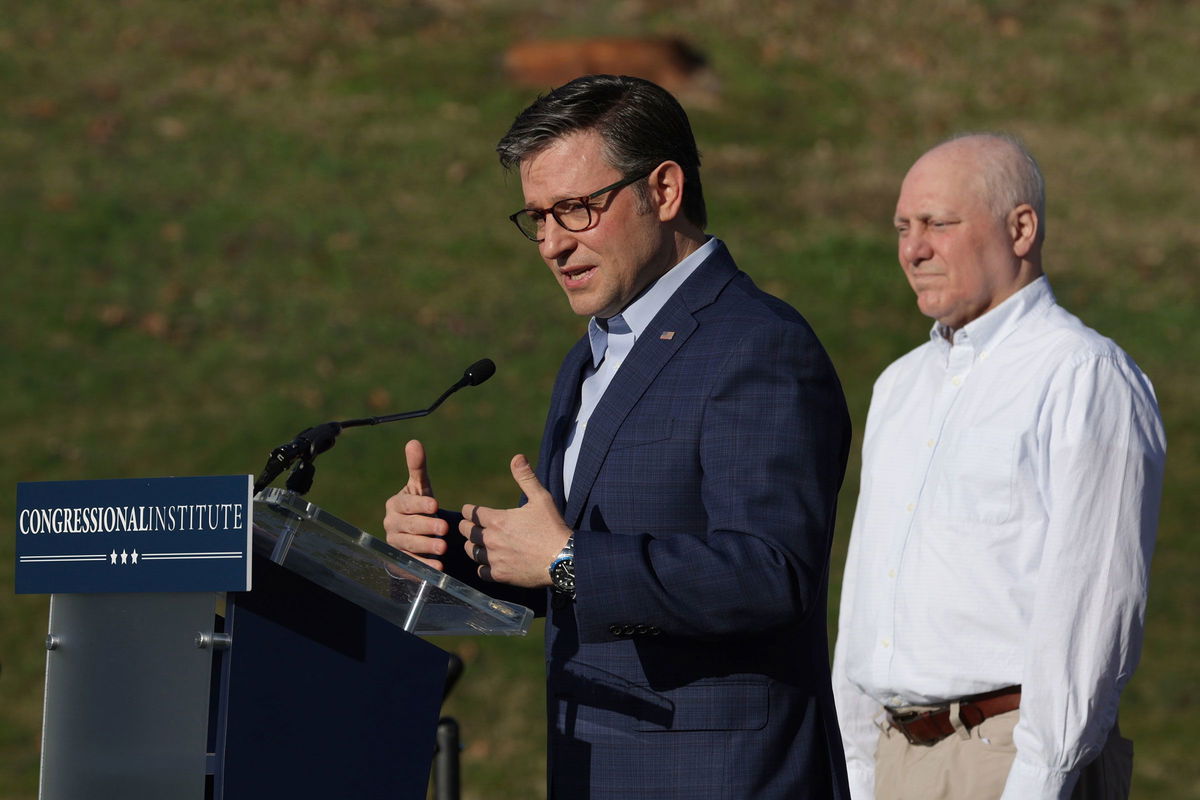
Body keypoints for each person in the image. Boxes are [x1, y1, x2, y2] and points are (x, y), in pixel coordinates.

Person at [384, 74, 852, 799]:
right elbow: (570, 567)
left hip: (720, 778)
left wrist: (567, 560)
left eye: (574, 210)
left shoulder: (759, 345)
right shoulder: (593, 352)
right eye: (536, 218)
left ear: (663, 191)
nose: (550, 245)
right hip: (596, 767)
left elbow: (768, 572)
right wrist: (452, 547)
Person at [831, 133, 1166, 800]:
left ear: (1021, 228)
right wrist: (862, 768)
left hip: (1010, 763)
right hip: (897, 762)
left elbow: (1093, 605)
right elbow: (870, 587)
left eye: (937, 224)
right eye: (903, 227)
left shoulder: (1082, 375)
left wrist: (1038, 782)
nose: (912, 248)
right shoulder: (899, 386)